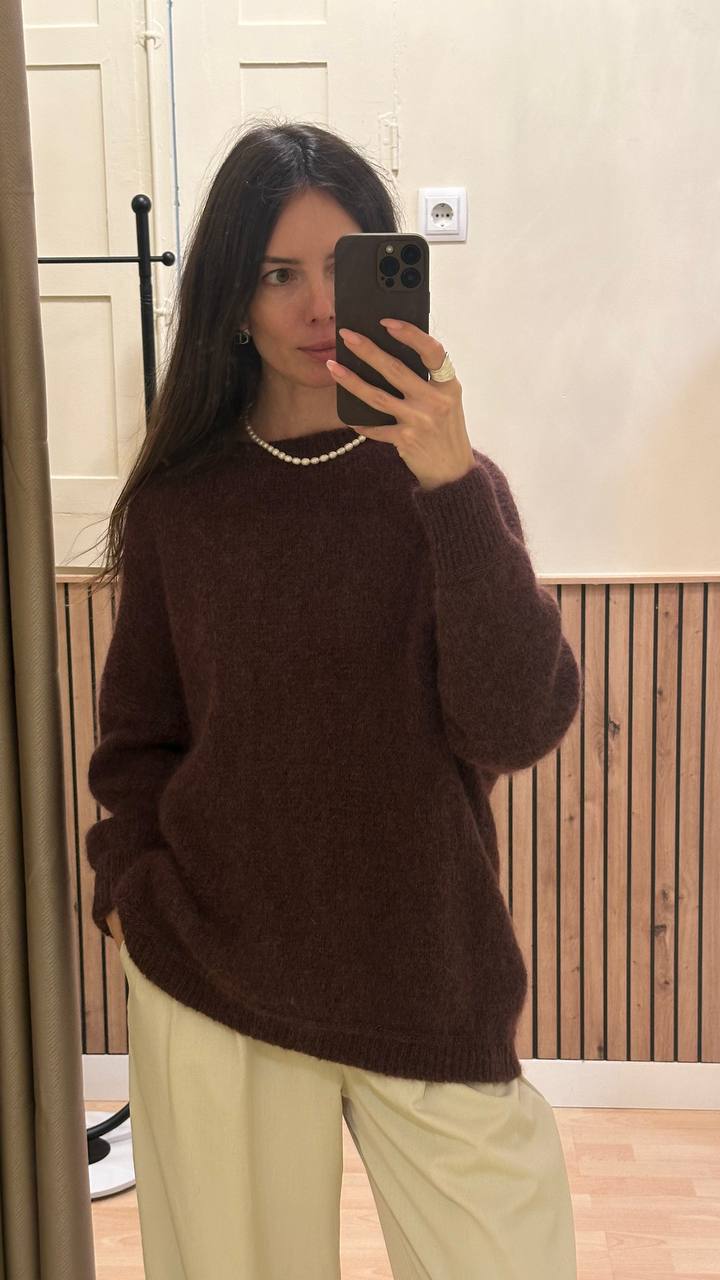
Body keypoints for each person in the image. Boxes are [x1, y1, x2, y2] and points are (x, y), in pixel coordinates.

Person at [86, 119, 581, 1280]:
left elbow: (518, 722)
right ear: (231, 299)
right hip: (215, 973)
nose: (317, 308)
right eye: (278, 273)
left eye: (341, 267)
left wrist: (450, 481)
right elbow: (138, 744)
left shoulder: (450, 485)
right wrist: (128, 896)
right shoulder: (180, 507)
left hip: (426, 974)